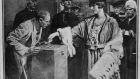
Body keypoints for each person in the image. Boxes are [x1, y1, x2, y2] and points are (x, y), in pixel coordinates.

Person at [48, 0, 124, 79]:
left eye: (93, 5)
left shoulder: (111, 22)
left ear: (100, 5)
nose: (91, 8)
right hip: (88, 57)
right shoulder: (88, 22)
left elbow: (117, 40)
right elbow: (73, 31)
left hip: (103, 58)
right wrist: (59, 33)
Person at [7, 10, 51, 79]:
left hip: (25, 56)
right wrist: (27, 50)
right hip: (15, 55)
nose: (48, 23)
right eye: (47, 21)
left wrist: (40, 43)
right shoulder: (26, 26)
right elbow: (10, 38)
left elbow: (30, 40)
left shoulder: (40, 26)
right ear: (40, 20)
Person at [121, 0, 137, 79]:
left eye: (130, 9)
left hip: (134, 49)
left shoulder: (137, 20)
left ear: (135, 10)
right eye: (127, 9)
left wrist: (133, 34)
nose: (128, 11)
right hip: (126, 49)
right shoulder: (125, 20)